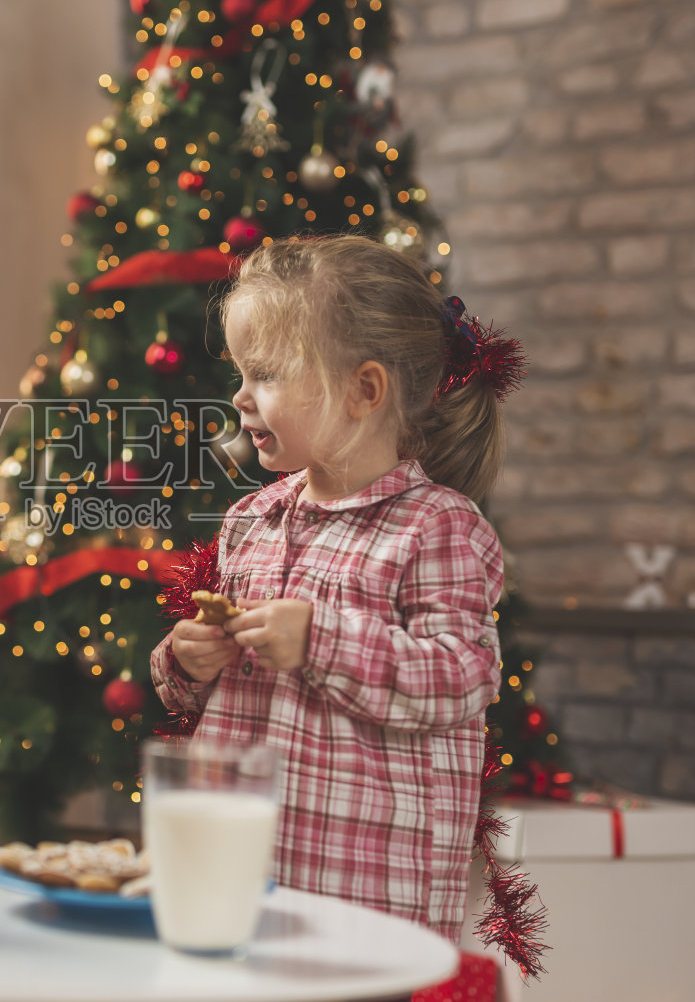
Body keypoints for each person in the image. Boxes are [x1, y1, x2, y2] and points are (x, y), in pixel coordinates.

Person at [151, 235, 523, 943]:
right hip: (236, 877)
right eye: (240, 372)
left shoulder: (436, 527)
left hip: (363, 899)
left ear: (364, 390)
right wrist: (187, 660)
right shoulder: (251, 521)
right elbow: (208, 692)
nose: (240, 396)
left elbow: (463, 677)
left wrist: (319, 641)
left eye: (265, 374)